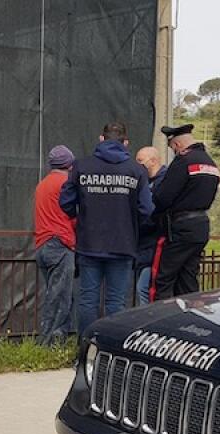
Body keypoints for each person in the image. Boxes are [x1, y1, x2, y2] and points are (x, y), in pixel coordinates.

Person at [59, 122, 154, 336]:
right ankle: (109, 350)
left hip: (89, 244)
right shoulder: (136, 170)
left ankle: (85, 350)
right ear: (126, 143)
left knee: (88, 300)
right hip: (123, 245)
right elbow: (147, 209)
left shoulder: (81, 167)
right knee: (116, 303)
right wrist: (130, 225)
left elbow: (65, 201)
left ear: (101, 139)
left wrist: (81, 217)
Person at [150, 124, 220, 300]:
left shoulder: (183, 161)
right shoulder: (210, 162)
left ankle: (161, 320)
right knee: (188, 280)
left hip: (180, 229)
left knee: (163, 279)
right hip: (200, 227)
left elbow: (163, 197)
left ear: (177, 145)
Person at [33, 145, 76, 345]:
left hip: (42, 245)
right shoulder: (66, 183)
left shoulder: (43, 184)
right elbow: (73, 214)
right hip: (60, 244)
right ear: (69, 164)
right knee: (60, 297)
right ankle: (50, 344)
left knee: (54, 293)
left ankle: (52, 341)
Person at [134, 146, 167, 306]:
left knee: (144, 288)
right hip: (145, 246)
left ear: (153, 161)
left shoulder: (165, 182)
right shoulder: (145, 182)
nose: (137, 165)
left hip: (156, 245)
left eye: (140, 161)